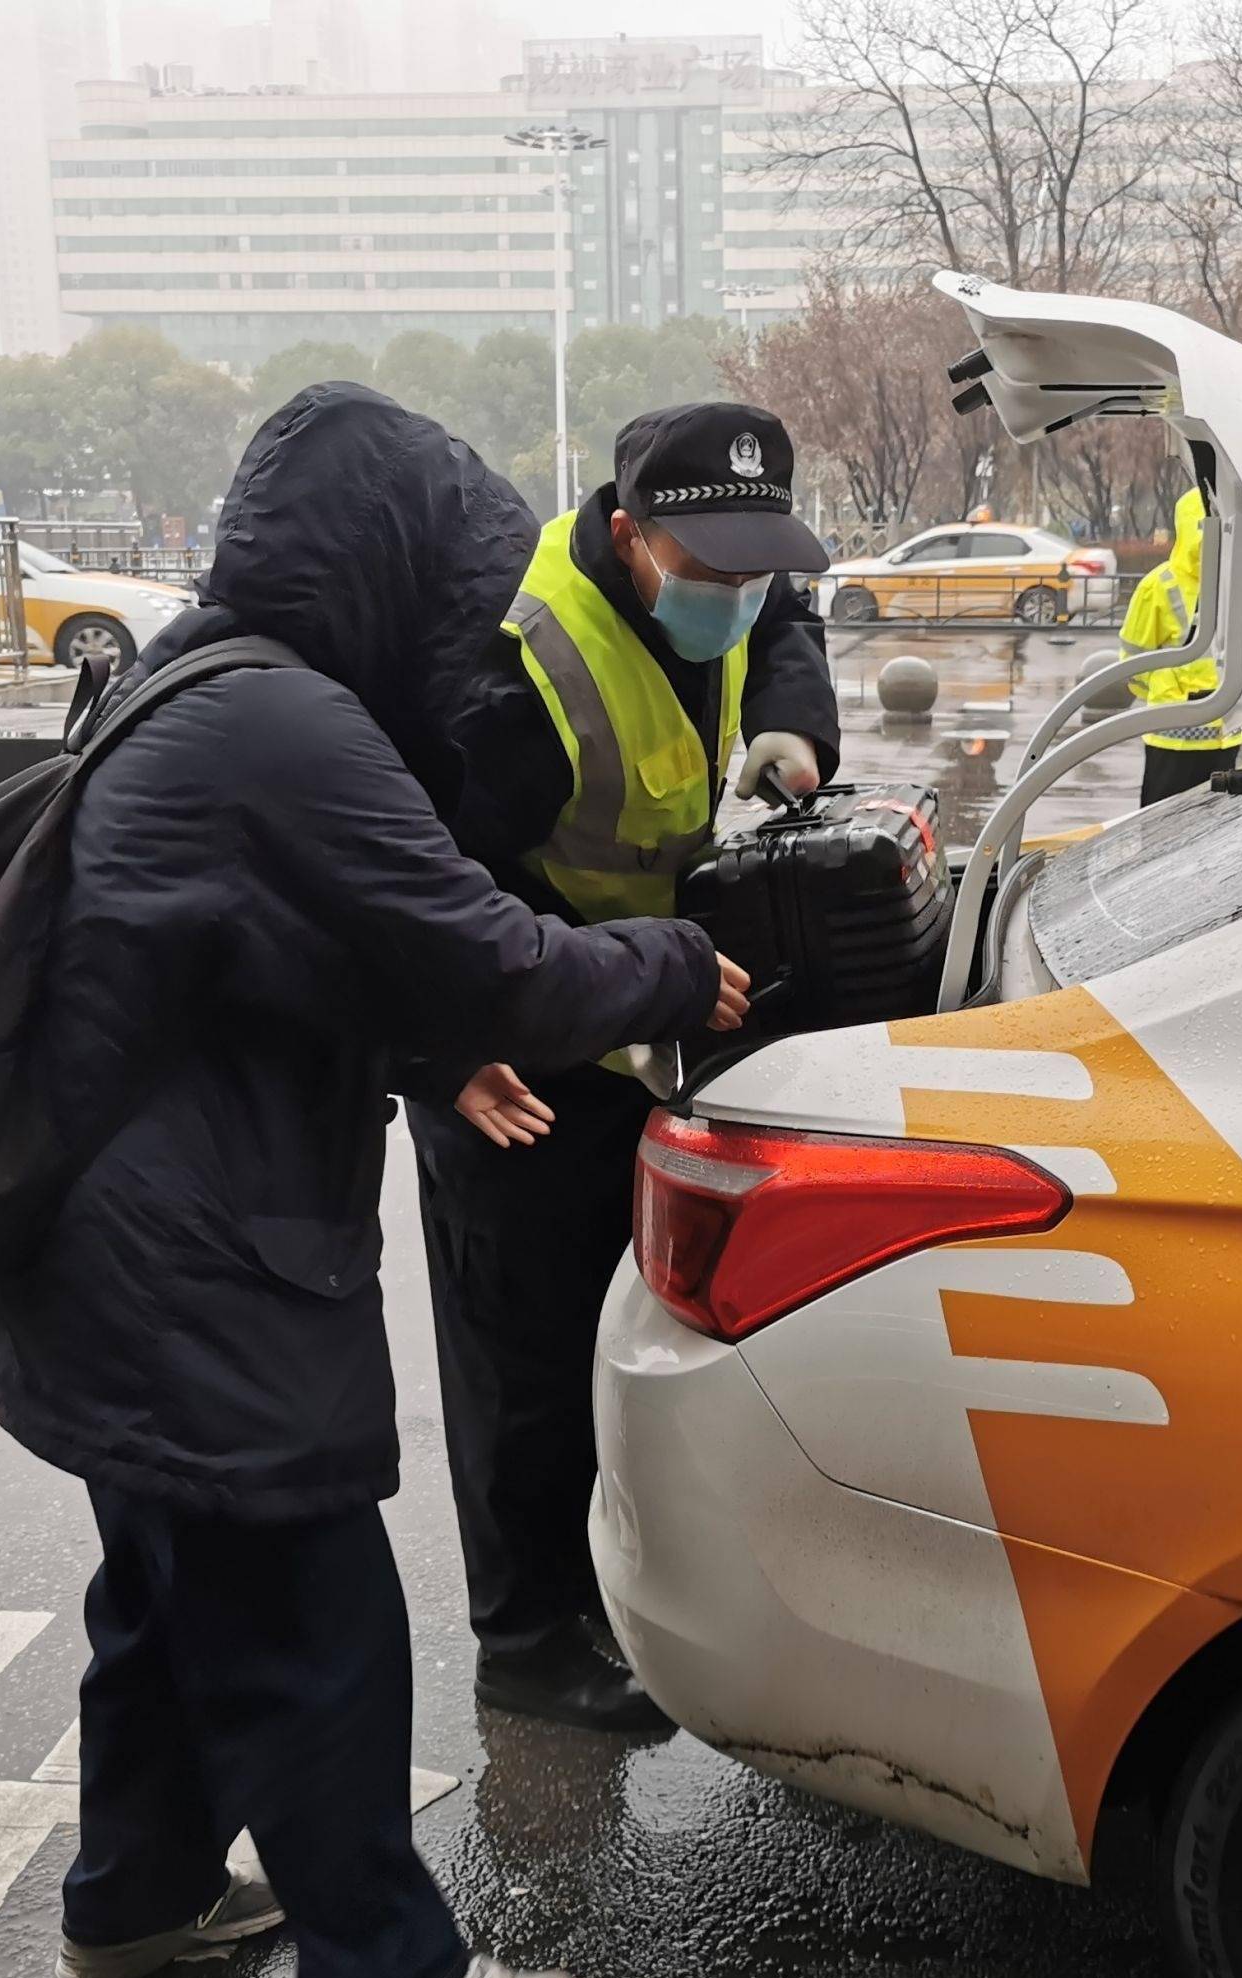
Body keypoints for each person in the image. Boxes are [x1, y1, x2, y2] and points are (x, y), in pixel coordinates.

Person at [0, 385, 752, 1978]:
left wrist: (424, 1046)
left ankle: (131, 1906)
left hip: (98, 1250)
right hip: (195, 1264)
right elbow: (489, 952)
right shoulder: (286, 726)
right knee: (311, 1611)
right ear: (380, 567)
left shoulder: (182, 677)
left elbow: (282, 950)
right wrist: (679, 969)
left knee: (169, 1595)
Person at [423, 403, 839, 1732]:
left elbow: (783, 624)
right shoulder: (512, 674)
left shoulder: (720, 585)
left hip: (630, 1030)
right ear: (627, 537)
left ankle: (590, 1592)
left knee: (606, 1328)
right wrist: (453, 1052)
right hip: (512, 1061)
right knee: (519, 1363)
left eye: (750, 564)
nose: (733, 591)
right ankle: (525, 1638)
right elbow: (430, 901)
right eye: (706, 569)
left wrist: (786, 724)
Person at [1118, 487, 1242, 804]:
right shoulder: (1239, 581)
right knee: (1203, 828)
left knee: (1175, 829)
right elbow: (1134, 661)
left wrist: (1164, 691)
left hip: (1188, 732)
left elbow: (1132, 664)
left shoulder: (1161, 584)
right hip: (1205, 733)